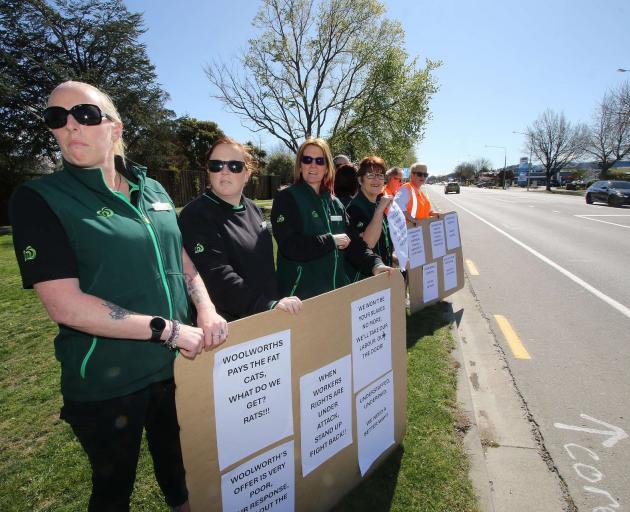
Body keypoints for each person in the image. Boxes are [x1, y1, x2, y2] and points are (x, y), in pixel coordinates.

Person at [9, 81, 228, 512]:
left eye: (85, 115)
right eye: (57, 118)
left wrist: (205, 305)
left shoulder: (154, 190)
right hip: (107, 383)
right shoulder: (40, 199)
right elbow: (63, 304)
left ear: (114, 127)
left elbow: (180, 256)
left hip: (177, 369)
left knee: (183, 476)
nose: (71, 126)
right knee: (112, 493)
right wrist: (167, 330)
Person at [178, 137, 302, 320]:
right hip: (230, 330)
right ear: (208, 170)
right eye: (216, 165)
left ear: (247, 173)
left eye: (234, 166)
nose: (225, 171)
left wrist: (274, 303)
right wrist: (266, 305)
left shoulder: (253, 208)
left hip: (269, 316)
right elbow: (217, 277)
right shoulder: (196, 215)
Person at [271, 138, 391, 300]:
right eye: (307, 160)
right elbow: (290, 245)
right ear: (300, 165)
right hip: (300, 298)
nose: (313, 165)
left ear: (327, 167)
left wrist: (375, 264)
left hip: (337, 294)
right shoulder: (287, 198)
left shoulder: (335, 203)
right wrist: (331, 241)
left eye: (320, 161)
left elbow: (354, 243)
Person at [346, 156, 394, 280]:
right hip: (366, 277)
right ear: (360, 180)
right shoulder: (354, 208)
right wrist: (381, 208)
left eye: (380, 175)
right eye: (370, 175)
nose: (376, 180)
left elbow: (382, 242)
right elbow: (368, 244)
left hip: (383, 272)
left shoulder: (377, 204)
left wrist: (394, 257)